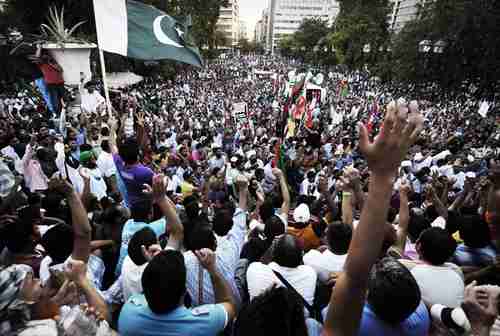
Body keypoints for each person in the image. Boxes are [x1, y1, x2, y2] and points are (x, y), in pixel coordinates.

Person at [118, 248, 236, 336]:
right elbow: (229, 304)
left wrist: (159, 271)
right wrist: (212, 270)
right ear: (184, 293)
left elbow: (152, 289)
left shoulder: (127, 314)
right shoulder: (205, 323)